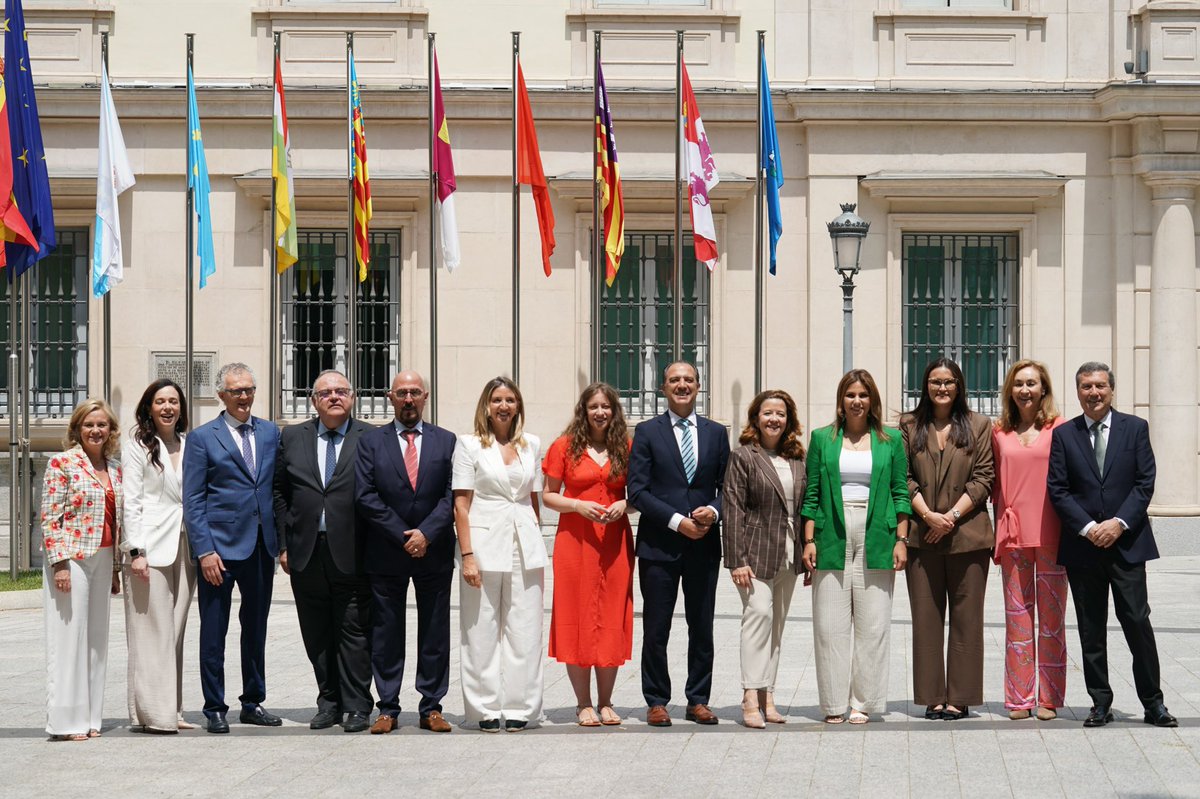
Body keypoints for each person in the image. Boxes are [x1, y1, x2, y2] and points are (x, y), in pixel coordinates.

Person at [1047, 362, 1176, 728]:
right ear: (1078, 392)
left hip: (1127, 545)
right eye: (1086, 386)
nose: (1094, 392)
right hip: (1083, 548)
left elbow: (1144, 483)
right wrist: (1089, 528)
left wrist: (1118, 524)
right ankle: (1100, 703)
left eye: (1100, 385)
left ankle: (1153, 703)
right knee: (1091, 628)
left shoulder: (1135, 428)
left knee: (1137, 621)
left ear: (1112, 389)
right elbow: (1058, 489)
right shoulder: (1065, 435)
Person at [801, 370, 910, 724]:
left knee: (873, 624)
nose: (857, 401)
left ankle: (863, 702)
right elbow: (812, 493)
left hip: (877, 531)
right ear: (841, 400)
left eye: (863, 394)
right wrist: (808, 540)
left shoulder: (891, 440)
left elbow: (900, 492)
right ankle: (834, 703)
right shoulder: (822, 438)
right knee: (829, 626)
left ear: (872, 399)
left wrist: (902, 539)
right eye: (850, 394)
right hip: (831, 532)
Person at [627, 361, 730, 727]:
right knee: (657, 628)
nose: (682, 385)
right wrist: (677, 521)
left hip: (703, 545)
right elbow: (637, 491)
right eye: (674, 380)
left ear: (698, 386)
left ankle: (698, 699)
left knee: (702, 626)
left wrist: (713, 513)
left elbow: (728, 488)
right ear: (663, 388)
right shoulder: (647, 432)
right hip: (659, 546)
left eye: (688, 379)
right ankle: (656, 700)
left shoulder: (716, 433)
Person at [355, 370, 457, 734]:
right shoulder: (371, 442)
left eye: (415, 392)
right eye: (402, 393)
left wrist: (426, 533)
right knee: (386, 631)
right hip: (387, 550)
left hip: (434, 550)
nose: (409, 399)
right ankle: (388, 708)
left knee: (435, 631)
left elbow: (452, 494)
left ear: (426, 396)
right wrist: (404, 535)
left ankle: (432, 706)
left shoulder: (447, 441)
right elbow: (365, 495)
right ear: (390, 397)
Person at [273, 370, 374, 733]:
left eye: (341, 391)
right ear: (314, 401)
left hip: (354, 551)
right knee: (316, 632)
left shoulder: (370, 437)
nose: (334, 397)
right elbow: (279, 491)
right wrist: (284, 544)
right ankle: (328, 702)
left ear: (353, 397)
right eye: (326, 393)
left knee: (354, 630)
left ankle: (357, 705)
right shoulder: (292, 437)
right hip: (306, 551)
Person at [183, 362, 281, 734]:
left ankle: (252, 702)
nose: (244, 397)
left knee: (255, 630)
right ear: (221, 395)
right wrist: (204, 551)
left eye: (249, 389)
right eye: (236, 391)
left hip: (260, 547)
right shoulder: (202, 438)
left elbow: (276, 489)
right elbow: (193, 500)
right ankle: (214, 707)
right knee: (214, 632)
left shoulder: (270, 432)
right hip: (219, 552)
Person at [900, 357, 994, 721]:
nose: (942, 388)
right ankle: (931, 696)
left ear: (959, 386)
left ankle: (961, 696)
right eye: (935, 381)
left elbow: (984, 477)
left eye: (949, 382)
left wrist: (950, 517)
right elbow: (902, 477)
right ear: (925, 385)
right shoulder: (909, 425)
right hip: (922, 536)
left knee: (967, 618)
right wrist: (927, 516)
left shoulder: (979, 424)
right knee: (926, 619)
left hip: (968, 536)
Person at [452, 376, 545, 732]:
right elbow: (461, 505)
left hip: (524, 544)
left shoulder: (531, 444)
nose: (504, 406)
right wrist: (468, 556)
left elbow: (534, 499)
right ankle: (484, 708)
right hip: (483, 544)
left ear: (518, 405)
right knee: (480, 631)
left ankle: (523, 707)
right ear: (486, 406)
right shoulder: (469, 445)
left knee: (526, 630)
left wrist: (535, 537)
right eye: (497, 400)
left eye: (510, 400)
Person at [542, 382, 634, 728]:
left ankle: (607, 701)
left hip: (615, 543)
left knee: (611, 615)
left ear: (614, 411)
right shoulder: (564, 446)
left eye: (606, 406)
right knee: (577, 615)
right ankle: (583, 703)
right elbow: (548, 495)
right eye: (593, 406)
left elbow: (640, 492)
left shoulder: (626, 446)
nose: (600, 412)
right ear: (583, 410)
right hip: (575, 541)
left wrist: (625, 504)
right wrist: (577, 505)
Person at [722, 389, 806, 728]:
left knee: (777, 625)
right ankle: (749, 695)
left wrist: (807, 548)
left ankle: (767, 695)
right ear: (756, 418)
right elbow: (732, 509)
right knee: (758, 615)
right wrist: (736, 559)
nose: (774, 419)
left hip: (789, 551)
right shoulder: (743, 456)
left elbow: (803, 506)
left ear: (789, 420)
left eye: (781, 414)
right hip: (754, 553)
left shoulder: (797, 458)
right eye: (768, 413)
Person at [41, 398, 123, 741]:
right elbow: (50, 518)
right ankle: (65, 721)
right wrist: (59, 564)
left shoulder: (115, 468)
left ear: (111, 429)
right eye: (89, 424)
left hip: (103, 557)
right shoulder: (61, 463)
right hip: (72, 558)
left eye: (102, 424)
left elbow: (116, 521)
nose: (95, 430)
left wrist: (116, 568)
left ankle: (90, 717)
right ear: (77, 429)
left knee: (96, 640)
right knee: (69, 638)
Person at [991, 359, 1068, 721]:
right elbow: (994, 483)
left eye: (1031, 383)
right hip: (1013, 534)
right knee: (1017, 619)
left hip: (1053, 533)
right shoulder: (999, 432)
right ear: (1010, 390)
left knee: (1052, 622)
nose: (1025, 390)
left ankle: (1049, 698)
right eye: (1018, 383)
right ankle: (1019, 698)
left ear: (1043, 389)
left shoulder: (1060, 428)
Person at [122, 379, 196, 734]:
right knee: (152, 631)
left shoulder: (189, 443)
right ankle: (154, 714)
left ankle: (172, 709)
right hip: (149, 548)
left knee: (175, 630)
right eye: (160, 401)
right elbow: (131, 500)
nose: (168, 407)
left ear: (181, 408)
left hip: (186, 546)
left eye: (174, 401)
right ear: (149, 408)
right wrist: (136, 551)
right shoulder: (137, 446)